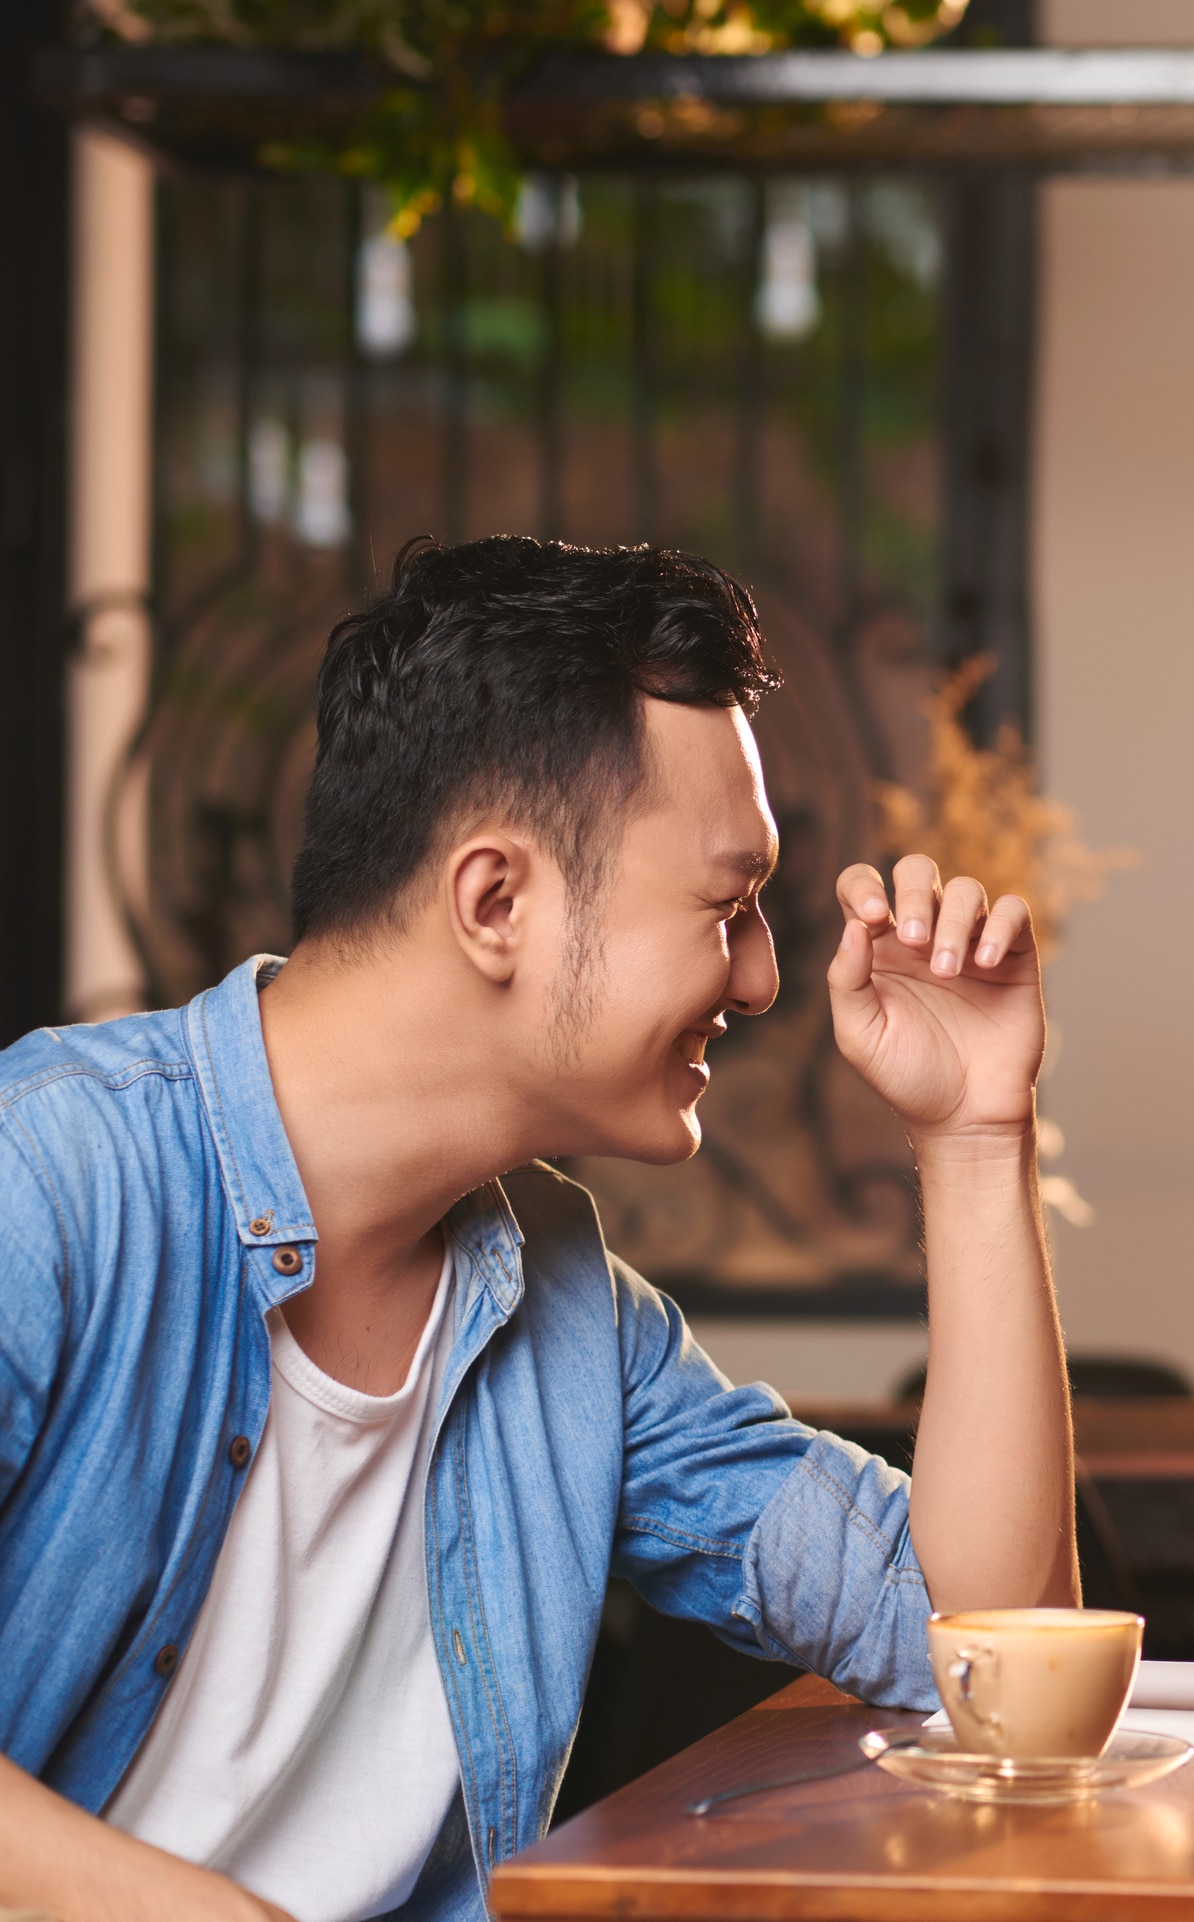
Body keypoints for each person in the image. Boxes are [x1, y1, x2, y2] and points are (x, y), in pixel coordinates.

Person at [0, 537, 1078, 1922]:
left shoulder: (570, 1313)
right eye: (728, 906)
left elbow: (991, 1656)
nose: (760, 980)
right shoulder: (51, 1178)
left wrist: (978, 1134)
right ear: (497, 902)